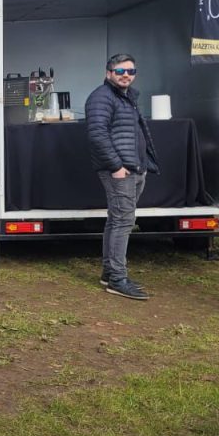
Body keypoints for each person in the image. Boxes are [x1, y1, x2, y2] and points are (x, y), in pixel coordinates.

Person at [84, 53, 159, 301]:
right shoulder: (101, 97)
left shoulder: (127, 97)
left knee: (117, 220)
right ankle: (117, 279)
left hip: (134, 168)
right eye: (120, 71)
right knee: (123, 222)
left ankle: (109, 273)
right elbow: (97, 135)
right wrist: (116, 166)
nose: (126, 75)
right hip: (119, 171)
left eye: (130, 71)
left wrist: (143, 164)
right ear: (109, 73)